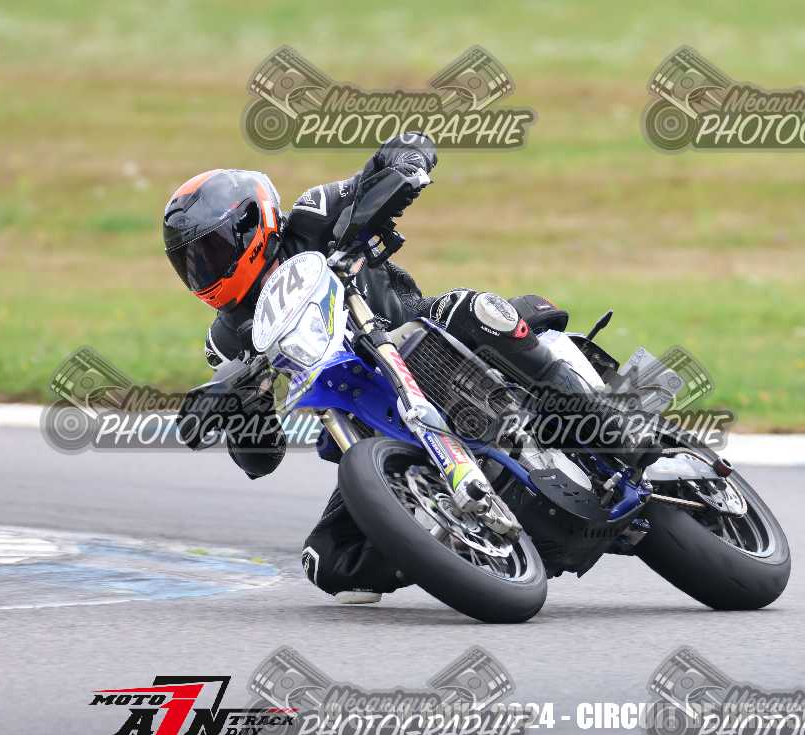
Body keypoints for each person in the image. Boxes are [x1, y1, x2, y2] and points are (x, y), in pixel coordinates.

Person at [163, 134, 569, 604]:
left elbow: (391, 159)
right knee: (328, 559)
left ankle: (609, 422)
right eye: (190, 262)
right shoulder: (227, 340)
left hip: (421, 335)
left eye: (211, 251)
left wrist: (405, 164)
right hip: (371, 421)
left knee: (478, 310)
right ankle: (460, 553)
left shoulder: (312, 218)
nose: (203, 270)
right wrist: (243, 412)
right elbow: (262, 460)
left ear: (251, 223)